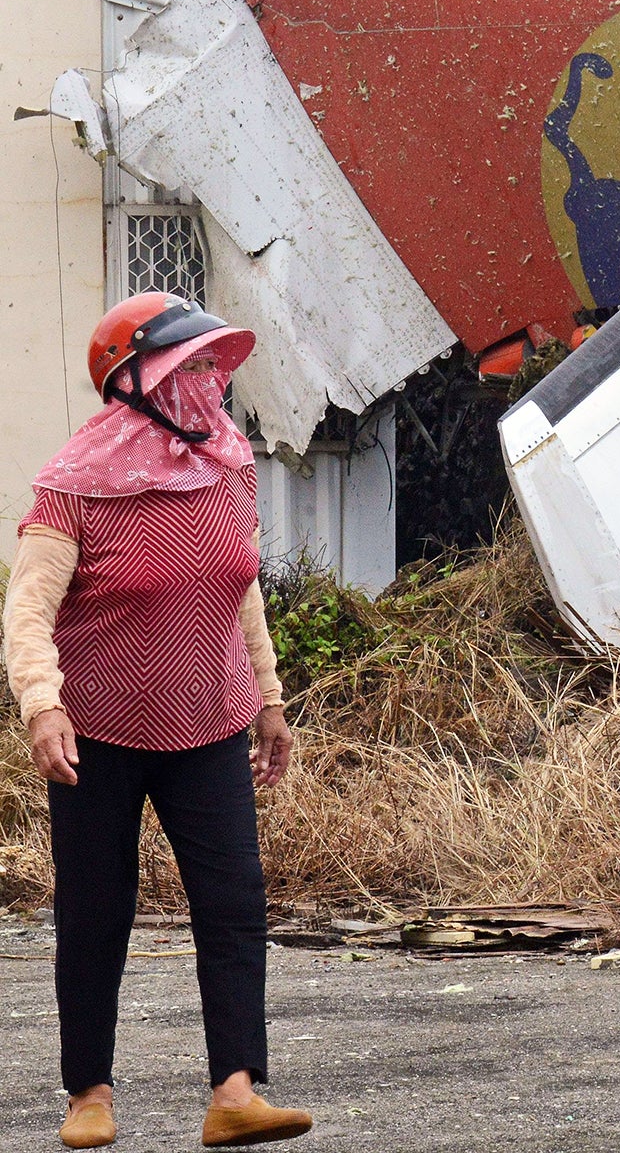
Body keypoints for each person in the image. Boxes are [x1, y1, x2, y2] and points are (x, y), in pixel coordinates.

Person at [2, 295, 314, 1148]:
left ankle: (236, 1091)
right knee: (98, 907)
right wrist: (42, 704)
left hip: (209, 719)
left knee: (234, 902)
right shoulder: (74, 485)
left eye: (212, 365)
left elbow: (238, 582)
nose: (209, 380)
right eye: (190, 367)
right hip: (95, 730)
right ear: (133, 383)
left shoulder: (227, 465)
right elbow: (27, 609)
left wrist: (271, 696)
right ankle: (89, 1095)